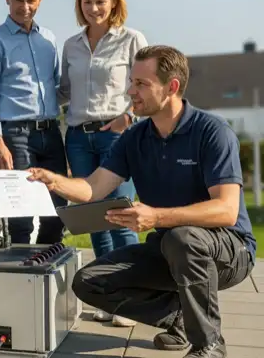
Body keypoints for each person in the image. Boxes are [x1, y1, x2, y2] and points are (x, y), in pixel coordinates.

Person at [27, 45, 256, 358]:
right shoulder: (134, 138)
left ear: (171, 87)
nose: (130, 91)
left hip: (229, 250)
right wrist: (54, 181)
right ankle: (180, 317)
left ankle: (209, 344)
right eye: (131, 82)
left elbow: (227, 211)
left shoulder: (211, 133)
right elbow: (93, 189)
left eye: (141, 84)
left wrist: (157, 218)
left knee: (182, 237)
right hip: (170, 247)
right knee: (89, 282)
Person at [57, 0, 148, 327]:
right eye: (86, 1)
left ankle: (131, 297)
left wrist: (130, 116)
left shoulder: (131, 39)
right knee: (95, 220)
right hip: (78, 137)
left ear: (113, 2)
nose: (93, 8)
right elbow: (63, 90)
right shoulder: (71, 45)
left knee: (121, 217)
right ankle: (107, 297)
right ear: (79, 5)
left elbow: (145, 84)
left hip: (117, 136)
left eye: (100, 1)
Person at [0, 0, 68, 245]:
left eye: (31, 0)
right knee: (21, 216)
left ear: (39, 0)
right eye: (19, 0)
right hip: (16, 136)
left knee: (58, 210)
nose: (25, 6)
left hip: (51, 133)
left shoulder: (49, 40)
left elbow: (55, 88)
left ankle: (42, 265)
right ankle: (21, 272)